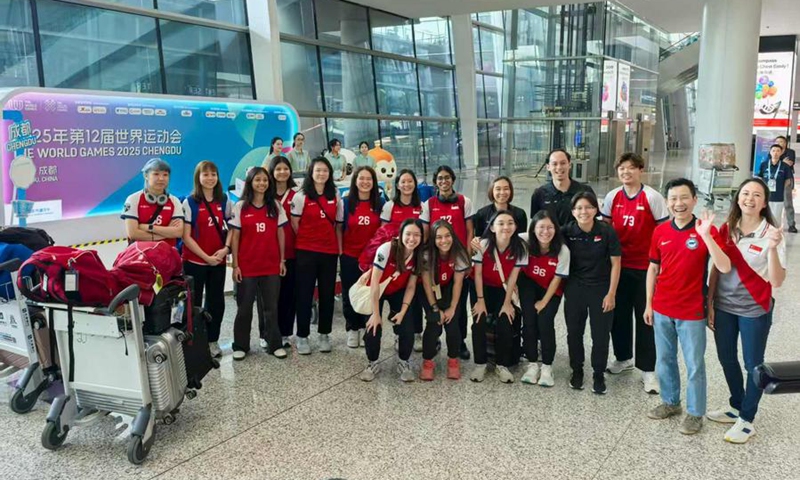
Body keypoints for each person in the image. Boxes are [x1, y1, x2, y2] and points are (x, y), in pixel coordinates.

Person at [644, 178, 730, 436]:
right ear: (667, 202)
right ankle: (671, 402)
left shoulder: (706, 230)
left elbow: (723, 266)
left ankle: (695, 413)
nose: (678, 203)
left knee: (694, 364)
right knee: (664, 359)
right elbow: (653, 268)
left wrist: (707, 237)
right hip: (662, 308)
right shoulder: (660, 231)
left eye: (684, 198)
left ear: (694, 199)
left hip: (692, 310)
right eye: (673, 198)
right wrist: (649, 303)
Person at [706, 178, 786, 444]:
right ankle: (737, 406)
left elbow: (776, 281)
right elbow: (718, 268)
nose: (749, 199)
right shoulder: (726, 228)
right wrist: (710, 304)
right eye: (745, 193)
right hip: (724, 307)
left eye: (757, 195)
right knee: (726, 358)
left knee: (753, 364)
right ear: (737, 197)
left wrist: (773, 249)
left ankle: (747, 419)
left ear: (764, 203)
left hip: (754, 309)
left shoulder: (771, 233)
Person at [601, 152, 669, 394]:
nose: (626, 172)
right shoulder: (612, 196)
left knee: (645, 318)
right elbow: (606, 228)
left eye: (631, 168)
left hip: (645, 269)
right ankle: (623, 357)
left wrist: (661, 266)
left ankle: (649, 370)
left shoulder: (652, 197)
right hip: (618, 267)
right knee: (618, 316)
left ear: (641, 170)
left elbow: (664, 232)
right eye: (622, 168)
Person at [562, 192, 621, 394]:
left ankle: (598, 373)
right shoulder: (567, 231)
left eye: (588, 207)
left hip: (601, 289)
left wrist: (611, 293)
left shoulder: (606, 231)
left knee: (601, 335)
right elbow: (542, 238)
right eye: (578, 208)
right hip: (575, 288)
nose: (583, 211)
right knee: (574, 333)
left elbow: (616, 263)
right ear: (572, 211)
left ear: (596, 209)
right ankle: (577, 370)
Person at [229, 167, 288, 361]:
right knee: (244, 308)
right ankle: (240, 345)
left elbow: (281, 234)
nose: (262, 183)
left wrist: (282, 260)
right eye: (257, 180)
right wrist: (235, 265)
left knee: (271, 307)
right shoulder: (241, 207)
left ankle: (274, 344)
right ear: (250, 183)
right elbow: (235, 237)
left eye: (265, 180)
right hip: (247, 266)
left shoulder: (276, 206)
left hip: (270, 265)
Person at [360, 219, 424, 382]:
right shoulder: (386, 249)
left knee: (408, 325)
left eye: (416, 235)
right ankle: (372, 362)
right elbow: (374, 283)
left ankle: (404, 361)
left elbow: (411, 286)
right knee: (373, 326)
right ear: (400, 235)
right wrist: (375, 313)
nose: (412, 239)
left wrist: (403, 311)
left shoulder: (418, 255)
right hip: (377, 289)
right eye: (408, 234)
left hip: (399, 290)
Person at [421, 165, 475, 360]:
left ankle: (459, 342)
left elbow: (470, 231)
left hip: (458, 262)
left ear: (452, 179)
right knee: (435, 301)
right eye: (440, 178)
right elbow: (426, 233)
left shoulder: (463, 202)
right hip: (436, 263)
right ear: (436, 181)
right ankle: (434, 339)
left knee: (458, 305)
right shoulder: (429, 204)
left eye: (447, 178)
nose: (444, 181)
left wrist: (467, 259)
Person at [291, 157, 343, 354]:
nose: (321, 174)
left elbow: (338, 224)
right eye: (318, 170)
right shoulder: (301, 196)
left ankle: (324, 334)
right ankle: (302, 336)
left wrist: (337, 249)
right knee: (304, 294)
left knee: (327, 294)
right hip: (306, 252)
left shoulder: (335, 194)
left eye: (325, 171)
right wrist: (308, 240)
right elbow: (295, 224)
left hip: (328, 253)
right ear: (311, 172)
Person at [180, 161, 232, 359]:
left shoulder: (224, 200)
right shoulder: (190, 202)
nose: (210, 178)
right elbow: (186, 236)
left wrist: (225, 249)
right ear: (198, 177)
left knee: (216, 302)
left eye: (213, 174)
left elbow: (232, 227)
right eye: (205, 174)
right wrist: (205, 257)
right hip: (194, 262)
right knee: (192, 303)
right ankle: (193, 342)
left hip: (217, 262)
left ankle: (212, 340)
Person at [470, 210, 527, 384]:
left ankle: (502, 365)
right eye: (500, 223)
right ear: (493, 228)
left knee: (505, 322)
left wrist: (507, 303)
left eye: (510, 223)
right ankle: (480, 364)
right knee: (479, 321)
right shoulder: (484, 244)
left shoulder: (521, 247)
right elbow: (478, 275)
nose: (505, 227)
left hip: (504, 289)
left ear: (516, 227)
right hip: (483, 289)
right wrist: (480, 301)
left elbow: (513, 278)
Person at [518, 211, 570, 387]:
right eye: (541, 227)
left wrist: (544, 302)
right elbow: (502, 234)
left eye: (549, 227)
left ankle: (547, 366)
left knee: (545, 321)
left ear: (556, 229)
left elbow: (557, 279)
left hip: (551, 288)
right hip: (529, 283)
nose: (545, 232)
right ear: (533, 229)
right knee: (529, 320)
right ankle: (532, 364)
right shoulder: (524, 240)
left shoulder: (563, 250)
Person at [419, 220, 470, 381]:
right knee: (434, 323)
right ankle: (427, 361)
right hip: (429, 291)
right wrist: (435, 308)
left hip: (448, 289)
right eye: (439, 237)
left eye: (447, 236)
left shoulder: (459, 253)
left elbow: (458, 283)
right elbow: (427, 284)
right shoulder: (426, 255)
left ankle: (453, 360)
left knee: (452, 322)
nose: (444, 240)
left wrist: (452, 307)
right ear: (433, 239)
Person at [380, 169, 425, 351]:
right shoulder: (390, 206)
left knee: (415, 296)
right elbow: (383, 233)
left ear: (415, 184)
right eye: (403, 182)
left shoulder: (421, 206)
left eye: (410, 181)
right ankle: (400, 333)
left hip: (415, 259)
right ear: (397, 185)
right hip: (396, 260)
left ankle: (417, 332)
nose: (407, 185)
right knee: (399, 296)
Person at [340, 166, 384, 348]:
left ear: (373, 182)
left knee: (370, 292)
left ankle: (368, 327)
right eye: (361, 178)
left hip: (373, 259)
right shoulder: (346, 202)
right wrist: (340, 251)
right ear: (355, 181)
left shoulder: (381, 202)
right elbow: (338, 228)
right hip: (350, 255)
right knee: (350, 291)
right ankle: (352, 328)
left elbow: (384, 230)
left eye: (369, 179)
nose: (365, 182)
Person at [268, 155, 298, 348]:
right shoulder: (265, 195)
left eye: (285, 168)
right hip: (269, 254)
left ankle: (286, 333)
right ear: (272, 171)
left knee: (289, 295)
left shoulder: (298, 195)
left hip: (293, 253)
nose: (282, 172)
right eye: (278, 169)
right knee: (270, 298)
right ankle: (269, 334)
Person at [122, 158, 184, 247]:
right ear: (146, 176)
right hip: (140, 255)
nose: (161, 178)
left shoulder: (175, 201)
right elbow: (133, 234)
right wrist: (166, 232)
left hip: (168, 255)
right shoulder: (133, 199)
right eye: (156, 174)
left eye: (165, 175)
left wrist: (148, 227)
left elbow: (178, 232)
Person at [530, 149, 595, 227]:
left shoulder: (585, 191)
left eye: (563, 163)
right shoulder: (539, 194)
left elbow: (594, 219)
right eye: (554, 164)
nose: (559, 167)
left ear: (569, 165)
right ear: (548, 167)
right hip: (551, 238)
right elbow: (536, 224)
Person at [472, 176, 528, 243]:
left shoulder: (520, 214)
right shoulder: (482, 214)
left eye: (506, 189)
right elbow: (479, 238)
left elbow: (521, 239)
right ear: (492, 191)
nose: (502, 192)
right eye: (498, 189)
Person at [757, 144, 790, 227]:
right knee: (763, 217)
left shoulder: (785, 166)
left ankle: (775, 235)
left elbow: (788, 181)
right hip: (765, 196)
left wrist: (781, 189)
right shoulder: (763, 164)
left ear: (781, 153)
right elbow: (759, 178)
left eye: (778, 151)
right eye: (773, 150)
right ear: (770, 152)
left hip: (778, 197)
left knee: (776, 218)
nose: (775, 153)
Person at [775, 135, 796, 233]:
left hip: (787, 179)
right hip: (774, 180)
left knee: (788, 203)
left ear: (785, 143)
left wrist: (777, 161)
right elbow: (771, 163)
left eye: (781, 141)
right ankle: (772, 223)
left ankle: (791, 225)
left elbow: (789, 163)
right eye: (777, 141)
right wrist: (782, 161)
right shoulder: (772, 151)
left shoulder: (790, 152)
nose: (779, 143)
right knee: (771, 202)